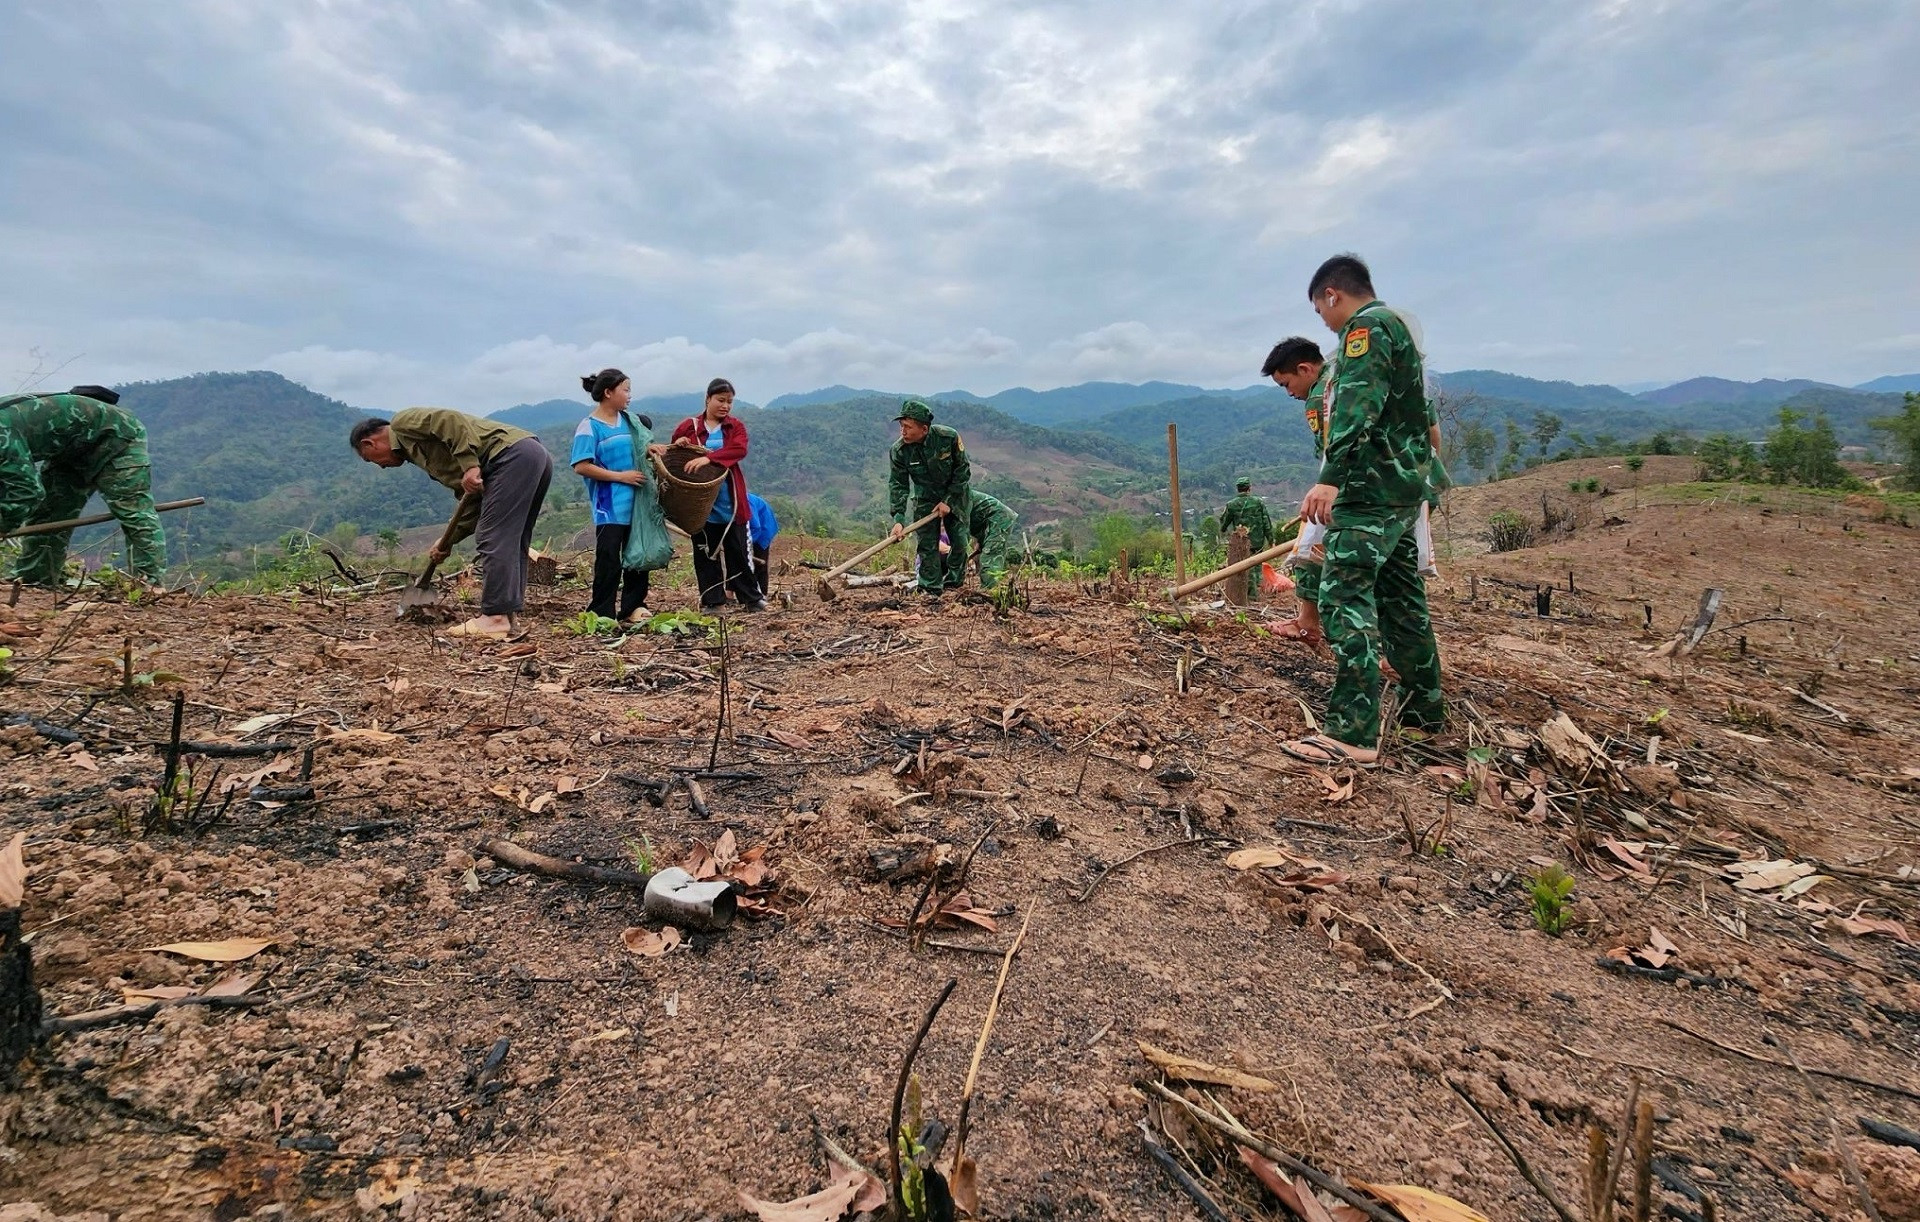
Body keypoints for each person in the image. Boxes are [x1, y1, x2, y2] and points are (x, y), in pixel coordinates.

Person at [1281, 254, 1444, 766]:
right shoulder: (1401, 330)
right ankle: (1424, 715)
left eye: (1320, 310)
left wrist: (1331, 478)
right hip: (1403, 493)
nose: (1325, 322)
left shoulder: (1366, 330)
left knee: (1344, 600)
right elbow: (1426, 420)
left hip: (1368, 493)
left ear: (1332, 294)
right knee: (1402, 603)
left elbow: (1357, 409)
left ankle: (1352, 732)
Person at [351, 407, 552, 640]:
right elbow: (475, 501)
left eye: (370, 460)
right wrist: (447, 540)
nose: (381, 466)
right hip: (530, 456)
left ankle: (495, 618)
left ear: (369, 443)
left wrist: (469, 465)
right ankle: (506, 615)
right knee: (512, 538)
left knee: (493, 537)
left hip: (509, 456)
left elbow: (449, 421)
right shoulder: (418, 451)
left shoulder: (402, 423)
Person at [0, 386, 166, 586]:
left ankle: (149, 583)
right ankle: (36, 578)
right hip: (69, 449)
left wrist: (3, 524)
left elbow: (26, 491)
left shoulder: (1, 434)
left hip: (116, 435)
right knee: (50, 512)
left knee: (132, 510)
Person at [570, 367, 667, 623]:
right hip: (609, 505)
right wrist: (621, 476)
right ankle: (602, 611)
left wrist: (650, 449)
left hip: (638, 501)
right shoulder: (590, 427)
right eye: (626, 390)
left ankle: (634, 606)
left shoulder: (630, 421)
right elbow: (581, 466)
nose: (629, 395)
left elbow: (639, 447)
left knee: (637, 553)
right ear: (608, 392)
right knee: (609, 558)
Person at [1263, 337, 1333, 643]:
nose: (1289, 392)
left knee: (1311, 549)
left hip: (1349, 486)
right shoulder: (1341, 375)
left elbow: (1332, 450)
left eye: (1286, 384)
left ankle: (1308, 623)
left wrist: (1328, 486)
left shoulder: (1321, 396)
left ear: (1305, 369)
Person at [672, 378, 764, 611]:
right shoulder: (689, 426)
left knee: (738, 551)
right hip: (700, 502)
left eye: (729, 402)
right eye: (720, 400)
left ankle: (751, 599)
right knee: (705, 552)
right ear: (708, 399)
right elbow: (675, 455)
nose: (725, 406)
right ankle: (713, 602)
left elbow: (739, 449)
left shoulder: (735, 427)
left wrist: (709, 458)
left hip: (730, 499)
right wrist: (680, 443)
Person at [887, 399, 970, 596]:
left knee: (959, 542)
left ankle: (953, 587)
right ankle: (930, 589)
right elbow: (898, 485)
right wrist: (898, 519)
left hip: (955, 494)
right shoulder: (899, 451)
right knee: (927, 545)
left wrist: (948, 501)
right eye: (901, 426)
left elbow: (963, 471)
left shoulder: (948, 437)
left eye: (908, 427)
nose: (903, 431)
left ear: (924, 429)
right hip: (925, 498)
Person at [1218, 476, 1273, 600]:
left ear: (1238, 489)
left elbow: (1224, 523)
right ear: (1249, 488)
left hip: (1241, 542)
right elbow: (1266, 522)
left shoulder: (1231, 505)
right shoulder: (1258, 502)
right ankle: (1255, 594)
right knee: (1256, 566)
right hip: (1257, 541)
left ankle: (1249, 595)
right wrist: (1271, 540)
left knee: (1244, 567)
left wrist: (1223, 529)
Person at [965, 490, 1017, 589]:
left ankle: (990, 589)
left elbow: (962, 532)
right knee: (983, 554)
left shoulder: (958, 497)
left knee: (990, 555)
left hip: (999, 518)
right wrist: (980, 541)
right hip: (986, 523)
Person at [746, 492, 779, 598]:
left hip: (764, 528)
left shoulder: (747, 502)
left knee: (760, 563)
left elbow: (756, 527)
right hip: (752, 527)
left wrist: (745, 543)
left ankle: (762, 594)